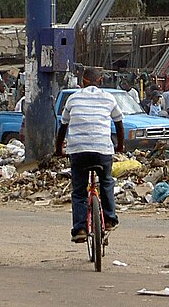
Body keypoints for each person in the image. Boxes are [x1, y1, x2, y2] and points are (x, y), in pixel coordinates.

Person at [55, 67, 124, 243]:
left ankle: (79, 229)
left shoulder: (73, 98)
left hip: (78, 151)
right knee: (107, 181)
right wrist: (120, 146)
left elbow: (63, 127)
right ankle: (109, 219)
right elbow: (119, 123)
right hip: (102, 150)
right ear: (100, 81)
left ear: (82, 81)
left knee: (79, 191)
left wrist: (59, 149)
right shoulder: (109, 97)